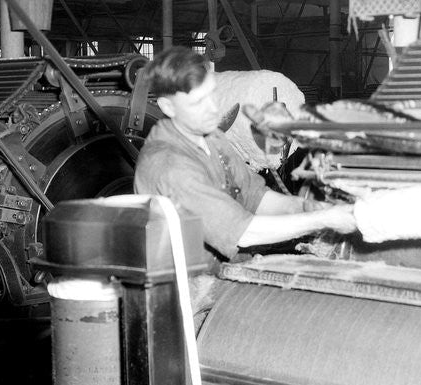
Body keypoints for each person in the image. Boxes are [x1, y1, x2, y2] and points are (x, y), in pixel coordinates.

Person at [134, 46, 357, 266]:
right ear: (168, 107)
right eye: (197, 102)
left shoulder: (212, 138)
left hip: (222, 268)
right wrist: (323, 221)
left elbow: (255, 196)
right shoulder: (168, 164)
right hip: (186, 280)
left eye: (212, 95)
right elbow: (242, 233)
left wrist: (307, 207)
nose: (212, 109)